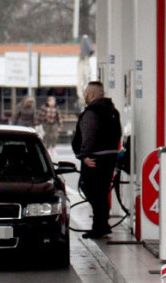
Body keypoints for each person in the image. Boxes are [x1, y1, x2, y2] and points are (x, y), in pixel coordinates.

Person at [71, 81, 121, 239]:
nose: (85, 96)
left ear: (91, 95)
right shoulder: (113, 111)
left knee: (91, 190)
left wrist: (84, 155)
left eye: (86, 94)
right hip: (109, 156)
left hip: (94, 158)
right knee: (101, 191)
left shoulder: (92, 112)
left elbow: (88, 136)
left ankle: (99, 226)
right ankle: (102, 224)